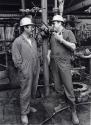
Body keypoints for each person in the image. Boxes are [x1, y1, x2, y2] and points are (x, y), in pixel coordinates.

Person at [49, 15, 79, 124]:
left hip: (64, 64)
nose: (53, 25)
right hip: (54, 64)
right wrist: (48, 57)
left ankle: (73, 111)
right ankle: (62, 103)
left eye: (54, 23)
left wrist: (61, 40)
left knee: (69, 88)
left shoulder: (68, 33)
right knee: (57, 86)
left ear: (60, 23)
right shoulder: (52, 35)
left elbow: (73, 47)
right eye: (52, 23)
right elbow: (50, 47)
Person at [12, 16, 40, 125]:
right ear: (24, 28)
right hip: (25, 70)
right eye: (30, 27)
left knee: (33, 88)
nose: (32, 28)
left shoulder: (32, 39)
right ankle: (24, 113)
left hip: (34, 67)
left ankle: (28, 107)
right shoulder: (17, 41)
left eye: (32, 27)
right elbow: (16, 59)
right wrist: (23, 69)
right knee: (25, 91)